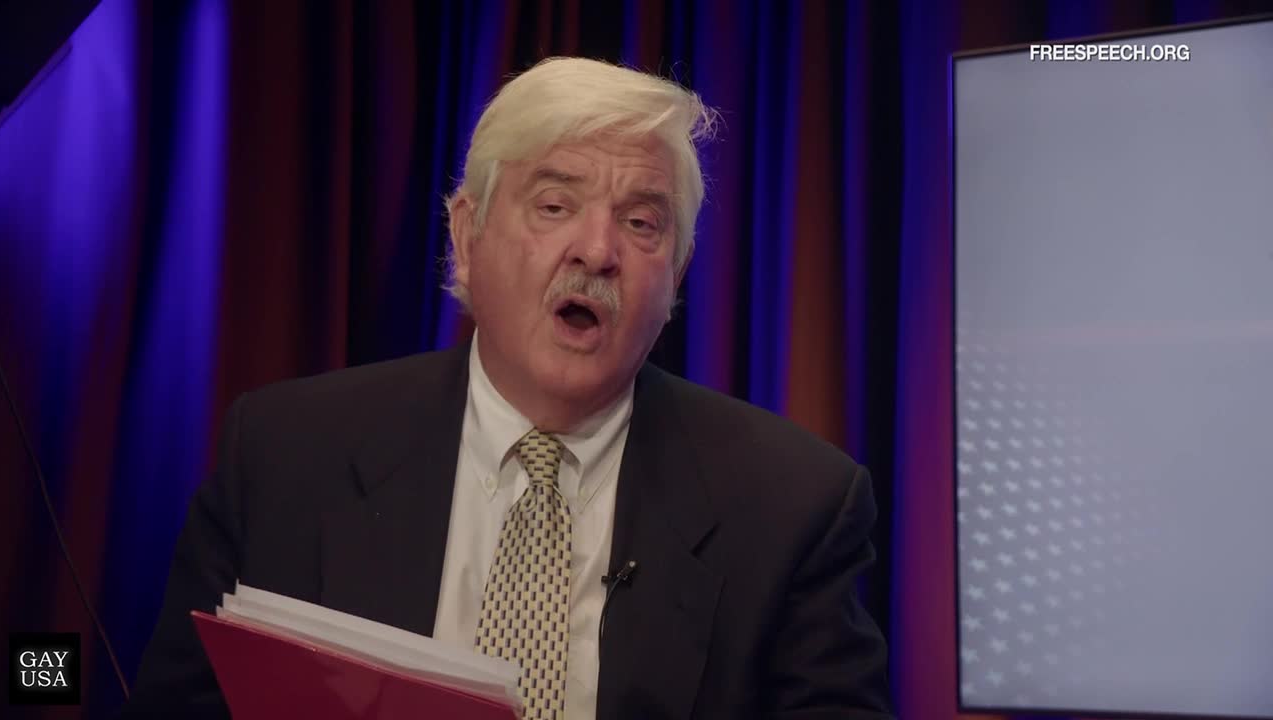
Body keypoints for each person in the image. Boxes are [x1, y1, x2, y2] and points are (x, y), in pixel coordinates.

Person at [123, 56, 893, 719]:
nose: (596, 250)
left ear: (676, 277)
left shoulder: (793, 506)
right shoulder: (287, 455)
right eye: (555, 206)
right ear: (467, 235)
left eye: (642, 223)